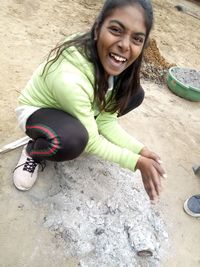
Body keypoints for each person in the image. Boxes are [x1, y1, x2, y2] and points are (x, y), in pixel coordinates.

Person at [13, 0, 166, 201]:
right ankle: (34, 150)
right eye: (116, 30)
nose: (124, 45)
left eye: (137, 39)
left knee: (135, 94)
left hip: (75, 108)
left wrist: (141, 150)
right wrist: (136, 162)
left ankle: (82, 124)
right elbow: (91, 143)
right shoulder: (70, 78)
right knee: (74, 140)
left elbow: (106, 120)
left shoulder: (117, 65)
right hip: (39, 111)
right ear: (97, 29)